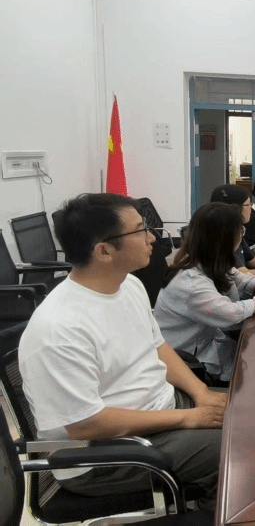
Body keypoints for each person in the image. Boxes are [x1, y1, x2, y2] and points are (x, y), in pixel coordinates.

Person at [18, 193, 225, 510]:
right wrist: (188, 418)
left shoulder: (128, 285)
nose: (152, 238)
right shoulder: (58, 329)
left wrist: (201, 393)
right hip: (103, 454)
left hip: (160, 411)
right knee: (237, 451)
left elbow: (157, 346)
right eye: (141, 231)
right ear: (104, 251)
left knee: (249, 412)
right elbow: (86, 425)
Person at [154, 203, 255, 382]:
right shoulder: (190, 283)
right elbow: (232, 314)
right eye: (240, 232)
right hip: (192, 362)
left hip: (210, 342)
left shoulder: (207, 258)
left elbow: (240, 277)